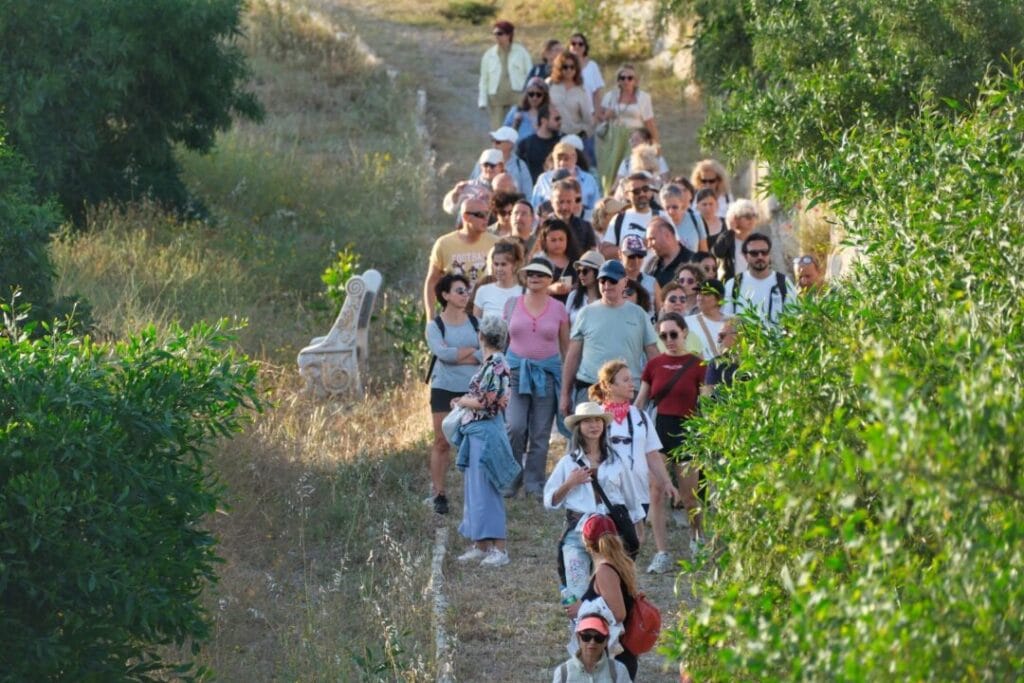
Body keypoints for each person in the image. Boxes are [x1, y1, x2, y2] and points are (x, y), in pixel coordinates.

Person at [544, 403, 643, 601]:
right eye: (587, 421)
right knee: (578, 592)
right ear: (578, 427)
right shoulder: (568, 462)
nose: (594, 425)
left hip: (611, 534)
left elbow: (632, 500)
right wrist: (570, 483)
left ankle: (610, 631)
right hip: (578, 533)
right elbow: (549, 501)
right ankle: (580, 631)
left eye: (598, 420)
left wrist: (639, 532)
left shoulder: (617, 460)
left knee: (613, 593)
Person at [589, 361, 677, 580]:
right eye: (625, 380)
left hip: (638, 491)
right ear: (609, 386)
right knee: (613, 541)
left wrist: (666, 482)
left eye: (632, 379)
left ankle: (619, 588)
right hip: (608, 492)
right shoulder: (596, 417)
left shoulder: (641, 417)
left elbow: (652, 454)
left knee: (634, 542)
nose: (632, 384)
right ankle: (610, 587)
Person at [636, 312, 706, 564]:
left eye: (673, 334)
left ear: (685, 332)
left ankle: (696, 537)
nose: (669, 340)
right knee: (655, 491)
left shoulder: (697, 364)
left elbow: (706, 402)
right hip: (660, 430)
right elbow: (641, 400)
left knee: (690, 496)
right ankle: (661, 551)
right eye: (663, 336)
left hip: (688, 431)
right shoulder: (654, 365)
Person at [451, 316, 517, 566]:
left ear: (481, 336)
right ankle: (480, 543)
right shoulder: (493, 362)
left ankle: (498, 548)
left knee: (486, 489)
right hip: (478, 431)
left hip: (486, 431)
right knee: (476, 489)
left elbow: (485, 402)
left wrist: (461, 401)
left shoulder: (496, 363)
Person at [504, 257, 570, 500]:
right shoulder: (512, 304)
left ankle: (534, 483)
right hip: (515, 373)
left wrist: (567, 384)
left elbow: (566, 349)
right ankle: (511, 479)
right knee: (515, 426)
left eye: (540, 274)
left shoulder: (559, 309)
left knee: (540, 433)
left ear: (549, 280)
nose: (534, 277)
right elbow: (503, 342)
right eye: (530, 273)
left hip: (547, 375)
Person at [559, 259, 659, 414]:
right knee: (589, 436)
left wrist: (654, 389)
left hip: (627, 391)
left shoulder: (639, 314)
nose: (607, 285)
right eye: (602, 280)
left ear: (625, 282)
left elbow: (653, 354)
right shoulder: (586, 313)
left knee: (625, 437)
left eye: (612, 280)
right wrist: (565, 394)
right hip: (591, 388)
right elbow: (573, 355)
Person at [425, 274, 482, 515]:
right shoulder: (434, 326)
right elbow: (442, 354)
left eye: (467, 291)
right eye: (459, 291)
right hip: (443, 387)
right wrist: (470, 352)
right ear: (445, 295)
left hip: (472, 388)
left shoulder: (476, 322)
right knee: (442, 441)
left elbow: (485, 353)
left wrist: (457, 354)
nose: (465, 295)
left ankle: (477, 493)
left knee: (474, 441)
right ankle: (439, 493)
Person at [579, 514, 642, 678]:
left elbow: (619, 613)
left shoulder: (604, 571)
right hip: (623, 655)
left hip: (612, 658)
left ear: (586, 543)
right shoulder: (620, 565)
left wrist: (586, 610)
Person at [424, 197, 501, 316]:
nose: (486, 219)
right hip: (454, 317)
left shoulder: (497, 244)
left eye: (488, 214)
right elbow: (432, 281)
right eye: (480, 215)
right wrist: (430, 316)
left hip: (487, 315)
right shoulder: (444, 244)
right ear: (465, 217)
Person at [596, 64, 658, 194]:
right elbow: (600, 116)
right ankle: (609, 195)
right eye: (622, 78)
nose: (626, 81)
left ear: (635, 80)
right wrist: (607, 115)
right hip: (614, 139)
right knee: (611, 170)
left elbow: (649, 122)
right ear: (618, 80)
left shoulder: (643, 98)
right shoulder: (610, 96)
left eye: (630, 78)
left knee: (633, 167)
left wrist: (656, 145)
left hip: (635, 138)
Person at [724, 232, 797, 326]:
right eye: (754, 253)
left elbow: (793, 318)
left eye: (764, 252)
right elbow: (727, 321)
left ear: (769, 254)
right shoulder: (733, 284)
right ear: (745, 256)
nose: (760, 256)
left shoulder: (783, 282)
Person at [479, 20, 533, 130]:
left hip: (517, 96)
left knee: (517, 126)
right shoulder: (489, 55)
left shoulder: (521, 52)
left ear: (509, 35)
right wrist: (482, 100)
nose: (496, 37)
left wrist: (529, 95)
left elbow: (530, 74)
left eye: (500, 34)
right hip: (496, 97)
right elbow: (484, 79)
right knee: (497, 129)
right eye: (495, 34)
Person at [531, 142, 601, 222]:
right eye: (559, 159)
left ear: (575, 158)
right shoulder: (543, 179)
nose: (562, 163)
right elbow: (534, 207)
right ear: (553, 159)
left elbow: (597, 208)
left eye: (566, 159)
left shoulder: (589, 179)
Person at [552, 612, 630, 682]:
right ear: (578, 638)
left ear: (606, 640)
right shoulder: (563, 672)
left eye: (598, 638)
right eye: (586, 637)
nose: (592, 642)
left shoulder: (618, 670)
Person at [600, 172, 661, 259]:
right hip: (626, 272)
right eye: (636, 191)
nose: (642, 194)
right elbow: (605, 252)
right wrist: (631, 249)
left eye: (645, 189)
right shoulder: (619, 218)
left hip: (656, 272)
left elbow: (674, 248)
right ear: (626, 195)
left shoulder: (662, 217)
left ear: (650, 192)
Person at [567, 33, 604, 164]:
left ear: (585, 47)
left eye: (580, 44)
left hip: (588, 115)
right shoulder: (564, 66)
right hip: (569, 116)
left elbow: (597, 92)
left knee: (587, 151)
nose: (576, 46)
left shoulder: (592, 66)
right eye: (573, 43)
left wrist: (597, 114)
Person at [547, 51, 593, 149]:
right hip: (552, 135)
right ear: (559, 68)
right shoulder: (550, 85)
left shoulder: (581, 91)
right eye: (565, 67)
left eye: (572, 67)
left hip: (574, 136)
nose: (569, 70)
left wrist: (583, 134)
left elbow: (587, 118)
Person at [471, 126, 533, 195]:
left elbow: (528, 193)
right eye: (493, 141)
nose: (494, 145)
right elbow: (473, 184)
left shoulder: (520, 166)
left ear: (510, 144)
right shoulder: (483, 161)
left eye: (498, 142)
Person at [533, 217, 582, 302]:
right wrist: (551, 289)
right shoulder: (538, 261)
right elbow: (531, 291)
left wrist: (576, 287)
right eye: (553, 240)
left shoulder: (576, 260)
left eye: (561, 239)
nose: (558, 243)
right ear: (544, 241)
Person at [712, 198, 762, 281]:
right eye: (747, 216)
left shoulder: (757, 241)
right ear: (735, 218)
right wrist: (730, 230)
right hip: (731, 286)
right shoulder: (727, 238)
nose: (752, 219)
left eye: (754, 216)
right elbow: (717, 252)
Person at [473, 239, 525, 318]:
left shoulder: (523, 293)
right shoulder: (483, 291)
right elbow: (476, 324)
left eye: (503, 264)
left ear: (514, 265)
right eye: (496, 264)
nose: (499, 269)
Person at [684, 278, 729, 360]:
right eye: (699, 293)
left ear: (719, 299)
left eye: (706, 294)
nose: (700, 297)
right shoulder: (687, 322)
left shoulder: (732, 322)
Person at [517, 104, 563, 183]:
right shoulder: (526, 144)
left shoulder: (562, 142)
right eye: (556, 119)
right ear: (544, 121)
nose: (560, 122)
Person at [643, 216, 695, 287]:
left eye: (652, 239)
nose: (649, 245)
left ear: (667, 235)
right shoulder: (651, 265)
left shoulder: (693, 261)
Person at [551, 178, 598, 252]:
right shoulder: (543, 227)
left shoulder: (585, 228)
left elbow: (591, 257)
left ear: (574, 202)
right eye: (560, 202)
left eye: (569, 202)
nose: (564, 207)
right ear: (551, 202)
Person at [660, 182, 707, 253]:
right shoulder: (659, 224)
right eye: (667, 208)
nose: (671, 211)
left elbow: (704, 251)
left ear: (681, 204)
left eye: (675, 207)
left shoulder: (695, 219)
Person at [620, 235, 659, 312]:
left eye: (640, 256)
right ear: (620, 254)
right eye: (631, 256)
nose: (636, 260)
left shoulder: (652, 282)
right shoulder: (612, 281)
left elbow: (661, 312)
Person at [504, 77, 549, 141]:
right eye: (531, 94)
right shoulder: (516, 110)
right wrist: (516, 123)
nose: (534, 98)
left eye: (538, 94)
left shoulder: (548, 113)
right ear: (526, 95)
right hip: (519, 149)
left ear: (544, 96)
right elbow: (505, 134)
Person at [566, 249, 604, 325]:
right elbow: (566, 325)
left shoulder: (607, 298)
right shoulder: (573, 296)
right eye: (579, 271)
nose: (581, 275)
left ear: (598, 272)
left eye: (585, 271)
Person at [694, 188, 725, 252]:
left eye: (711, 204)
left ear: (717, 205)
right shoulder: (693, 224)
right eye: (704, 204)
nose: (708, 208)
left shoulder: (726, 223)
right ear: (697, 206)